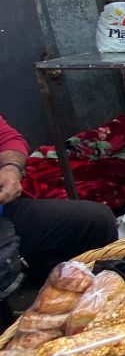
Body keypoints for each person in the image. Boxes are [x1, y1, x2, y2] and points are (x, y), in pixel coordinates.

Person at [0, 115, 117, 286]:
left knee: (94, 221)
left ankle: (98, 296)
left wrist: (11, 169)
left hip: (5, 212)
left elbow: (8, 138)